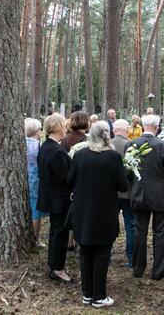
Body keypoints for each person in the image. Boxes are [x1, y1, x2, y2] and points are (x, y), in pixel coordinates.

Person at [68, 121, 129, 308]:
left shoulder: (79, 156)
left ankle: (87, 293)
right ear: (106, 136)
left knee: (85, 251)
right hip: (104, 211)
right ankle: (99, 296)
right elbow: (123, 185)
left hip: (83, 210)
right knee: (102, 253)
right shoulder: (113, 157)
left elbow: (69, 180)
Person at [130, 114, 164, 280]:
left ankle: (138, 268)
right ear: (157, 127)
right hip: (159, 195)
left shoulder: (133, 144)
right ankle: (158, 270)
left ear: (143, 126)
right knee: (159, 233)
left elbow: (128, 172)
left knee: (140, 232)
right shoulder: (163, 146)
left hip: (139, 195)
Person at [37, 113, 73, 283]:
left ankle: (54, 264)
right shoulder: (56, 150)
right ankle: (57, 268)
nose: (66, 128)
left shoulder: (46, 146)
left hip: (51, 196)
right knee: (60, 233)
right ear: (58, 127)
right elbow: (63, 178)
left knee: (55, 232)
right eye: (64, 126)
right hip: (59, 198)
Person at [110, 119, 135, 268]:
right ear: (127, 130)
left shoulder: (108, 145)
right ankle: (131, 258)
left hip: (110, 192)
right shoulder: (132, 145)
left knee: (109, 223)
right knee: (130, 225)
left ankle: (107, 254)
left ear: (113, 130)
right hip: (127, 191)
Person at [25, 117, 47, 247]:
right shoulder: (37, 145)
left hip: (22, 180)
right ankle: (35, 239)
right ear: (36, 131)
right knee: (35, 213)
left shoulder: (19, 143)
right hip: (35, 181)